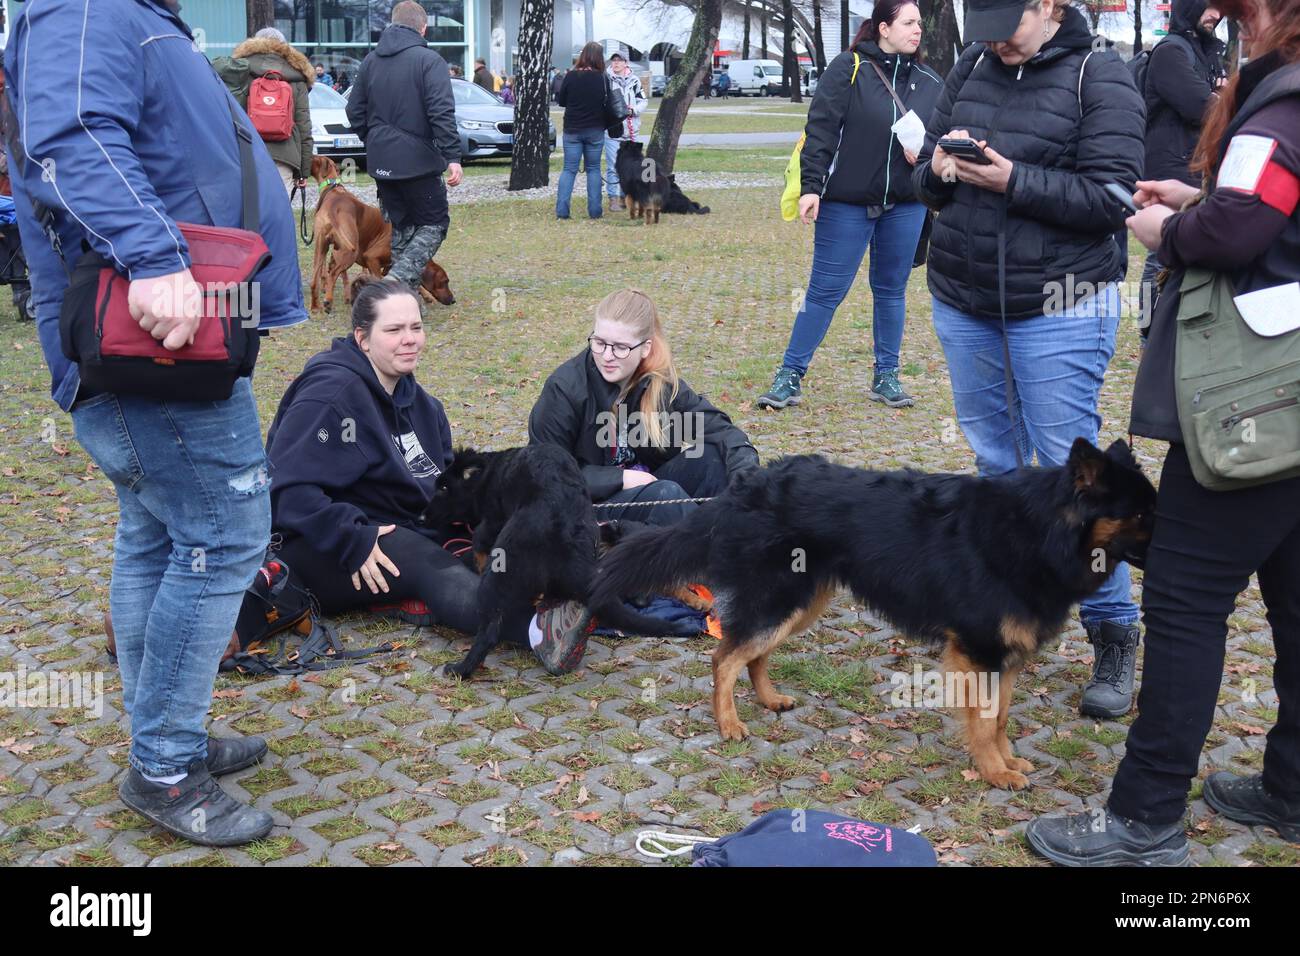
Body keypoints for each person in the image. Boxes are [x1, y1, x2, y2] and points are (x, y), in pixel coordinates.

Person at [4, 0, 306, 847]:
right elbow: (71, 139)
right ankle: (166, 764)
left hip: (173, 337)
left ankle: (162, 730)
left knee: (159, 536)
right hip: (157, 342)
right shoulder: (88, 3)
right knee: (224, 533)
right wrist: (155, 255)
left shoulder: (125, 11)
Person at [1027, 0, 1300, 866]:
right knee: (1295, 602)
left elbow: (1240, 228)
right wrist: (1202, 196)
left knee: (1183, 605)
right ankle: (1293, 790)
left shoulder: (1287, 100)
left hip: (1251, 411)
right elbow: (1270, 211)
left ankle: (1143, 820)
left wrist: (1172, 227)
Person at [911, 0, 1146, 717]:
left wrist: (1012, 178)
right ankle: (1006, 616)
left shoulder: (1098, 76)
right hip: (964, 297)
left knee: (1075, 481)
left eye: (1008, 30)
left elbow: (1114, 198)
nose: (997, 48)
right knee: (997, 469)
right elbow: (924, 177)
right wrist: (943, 169)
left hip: (1063, 306)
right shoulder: (973, 61)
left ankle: (1114, 633)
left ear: (1047, 6)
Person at [267, 278, 606, 672]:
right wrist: (351, 538)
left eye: (416, 327)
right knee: (421, 557)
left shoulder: (425, 407)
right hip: (325, 543)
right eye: (393, 330)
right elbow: (283, 490)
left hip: (401, 528)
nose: (409, 339)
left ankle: (583, 600)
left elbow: (444, 493)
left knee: (498, 541)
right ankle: (536, 631)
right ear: (363, 338)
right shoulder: (329, 394)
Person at [757, 0, 942, 412]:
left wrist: (927, 153)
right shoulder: (850, 67)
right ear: (883, 28)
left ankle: (887, 376)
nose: (917, 31)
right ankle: (790, 374)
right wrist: (811, 187)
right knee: (824, 292)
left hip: (906, 204)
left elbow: (944, 136)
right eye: (908, 23)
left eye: (919, 24)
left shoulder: (931, 80)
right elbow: (821, 128)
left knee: (891, 291)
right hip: (846, 203)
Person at [529, 288, 760, 528]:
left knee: (712, 459)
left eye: (620, 347)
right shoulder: (564, 390)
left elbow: (719, 428)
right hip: (585, 509)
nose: (607, 355)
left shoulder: (656, 381)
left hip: (649, 487)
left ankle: (733, 537)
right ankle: (717, 554)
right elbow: (546, 475)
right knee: (666, 496)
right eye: (599, 342)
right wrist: (621, 478)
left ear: (645, 348)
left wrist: (746, 475)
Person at [346, 1, 463, 292]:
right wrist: (452, 156)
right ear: (423, 28)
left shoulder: (371, 61)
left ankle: (401, 302)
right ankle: (397, 281)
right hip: (418, 162)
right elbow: (441, 112)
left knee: (402, 230)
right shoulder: (429, 60)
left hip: (382, 162)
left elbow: (353, 111)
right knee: (435, 224)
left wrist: (374, 140)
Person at [1138, 0, 1227, 321]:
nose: (1217, 15)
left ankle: (1169, 329)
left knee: (1179, 255)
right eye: (1210, 6)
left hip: (1190, 170)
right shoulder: (1171, 52)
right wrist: (1225, 97)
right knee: (1161, 255)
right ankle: (1151, 331)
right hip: (1170, 173)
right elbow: (1203, 108)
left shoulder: (1202, 52)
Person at [218, 26, 314, 195]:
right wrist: (304, 170)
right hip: (285, 157)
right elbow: (303, 126)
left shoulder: (239, 71)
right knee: (279, 214)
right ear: (284, 46)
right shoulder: (297, 77)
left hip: (247, 153)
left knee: (249, 213)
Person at [556, 43, 611, 220]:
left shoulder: (571, 76)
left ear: (583, 55)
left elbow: (562, 101)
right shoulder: (602, 78)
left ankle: (562, 212)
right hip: (595, 129)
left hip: (572, 129)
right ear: (599, 57)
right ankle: (595, 211)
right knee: (594, 169)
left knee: (569, 169)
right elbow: (608, 102)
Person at [604, 52, 647, 213]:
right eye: (613, 60)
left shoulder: (634, 81)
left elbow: (643, 101)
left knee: (629, 167)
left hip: (631, 130)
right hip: (612, 131)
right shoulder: (606, 80)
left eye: (619, 60)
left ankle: (626, 196)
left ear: (625, 63)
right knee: (613, 166)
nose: (616, 63)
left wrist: (634, 110)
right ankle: (613, 198)